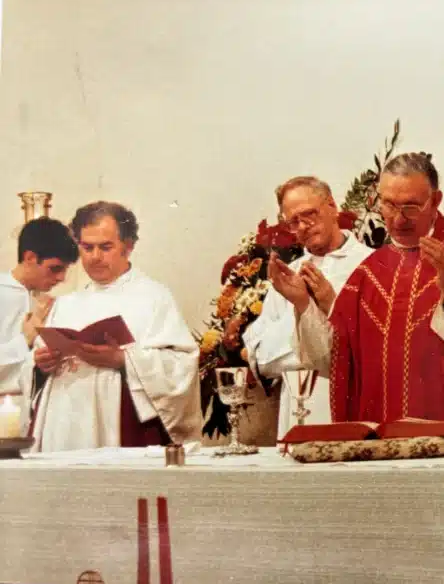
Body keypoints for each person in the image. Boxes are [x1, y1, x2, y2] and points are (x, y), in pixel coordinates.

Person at [270, 152, 444, 430]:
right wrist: (302, 304)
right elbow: (333, 362)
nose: (397, 219)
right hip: (382, 443)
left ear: (436, 201)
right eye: (389, 205)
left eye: (410, 207)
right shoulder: (368, 272)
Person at [27, 201, 202, 451]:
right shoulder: (65, 303)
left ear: (128, 247)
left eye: (105, 247)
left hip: (122, 422)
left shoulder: (153, 297)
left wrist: (123, 360)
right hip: (63, 422)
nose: (95, 257)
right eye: (87, 247)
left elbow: (182, 364)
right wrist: (41, 365)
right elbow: (34, 370)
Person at [242, 176, 373, 439]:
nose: (302, 226)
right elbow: (259, 357)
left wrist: (319, 312)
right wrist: (312, 323)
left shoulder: (371, 265)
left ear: (332, 206)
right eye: (293, 221)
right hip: (296, 410)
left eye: (309, 214)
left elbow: (369, 350)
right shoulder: (289, 274)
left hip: (350, 404)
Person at [0, 218, 78, 428]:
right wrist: (25, 339)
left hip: (32, 413)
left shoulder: (44, 300)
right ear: (30, 258)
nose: (61, 278)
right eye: (55, 269)